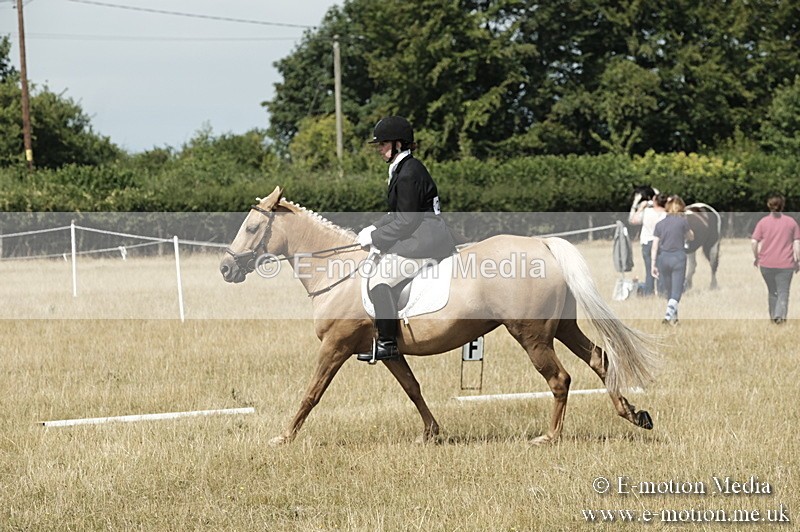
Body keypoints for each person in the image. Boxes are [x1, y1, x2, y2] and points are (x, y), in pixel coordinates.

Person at [355, 116, 456, 361]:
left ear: (399, 144)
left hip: (425, 238)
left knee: (380, 279)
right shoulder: (403, 168)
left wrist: (376, 238)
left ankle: (387, 343)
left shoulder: (409, 172)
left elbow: (406, 221)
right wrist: (373, 227)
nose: (379, 148)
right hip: (420, 233)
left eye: (383, 143)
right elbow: (397, 214)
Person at [750, 194, 800, 324]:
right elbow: (797, 244)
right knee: (783, 292)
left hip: (766, 264)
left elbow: (754, 242)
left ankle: (773, 318)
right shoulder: (791, 222)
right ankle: (779, 317)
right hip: (786, 265)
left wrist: (756, 257)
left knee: (772, 292)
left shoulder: (763, 222)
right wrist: (798, 260)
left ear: (769, 205)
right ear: (783, 205)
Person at [651, 195, 694, 324]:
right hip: (678, 258)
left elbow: (654, 246)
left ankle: (675, 319)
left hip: (663, 258)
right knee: (677, 292)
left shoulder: (659, 224)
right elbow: (691, 237)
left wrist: (653, 264)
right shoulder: (683, 222)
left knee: (669, 291)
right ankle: (668, 317)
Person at [629, 192, 667, 296]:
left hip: (647, 242)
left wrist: (639, 208)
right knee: (661, 269)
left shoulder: (647, 212)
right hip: (662, 243)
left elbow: (633, 220)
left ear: (655, 202)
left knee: (649, 268)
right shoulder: (666, 214)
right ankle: (662, 291)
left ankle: (649, 292)